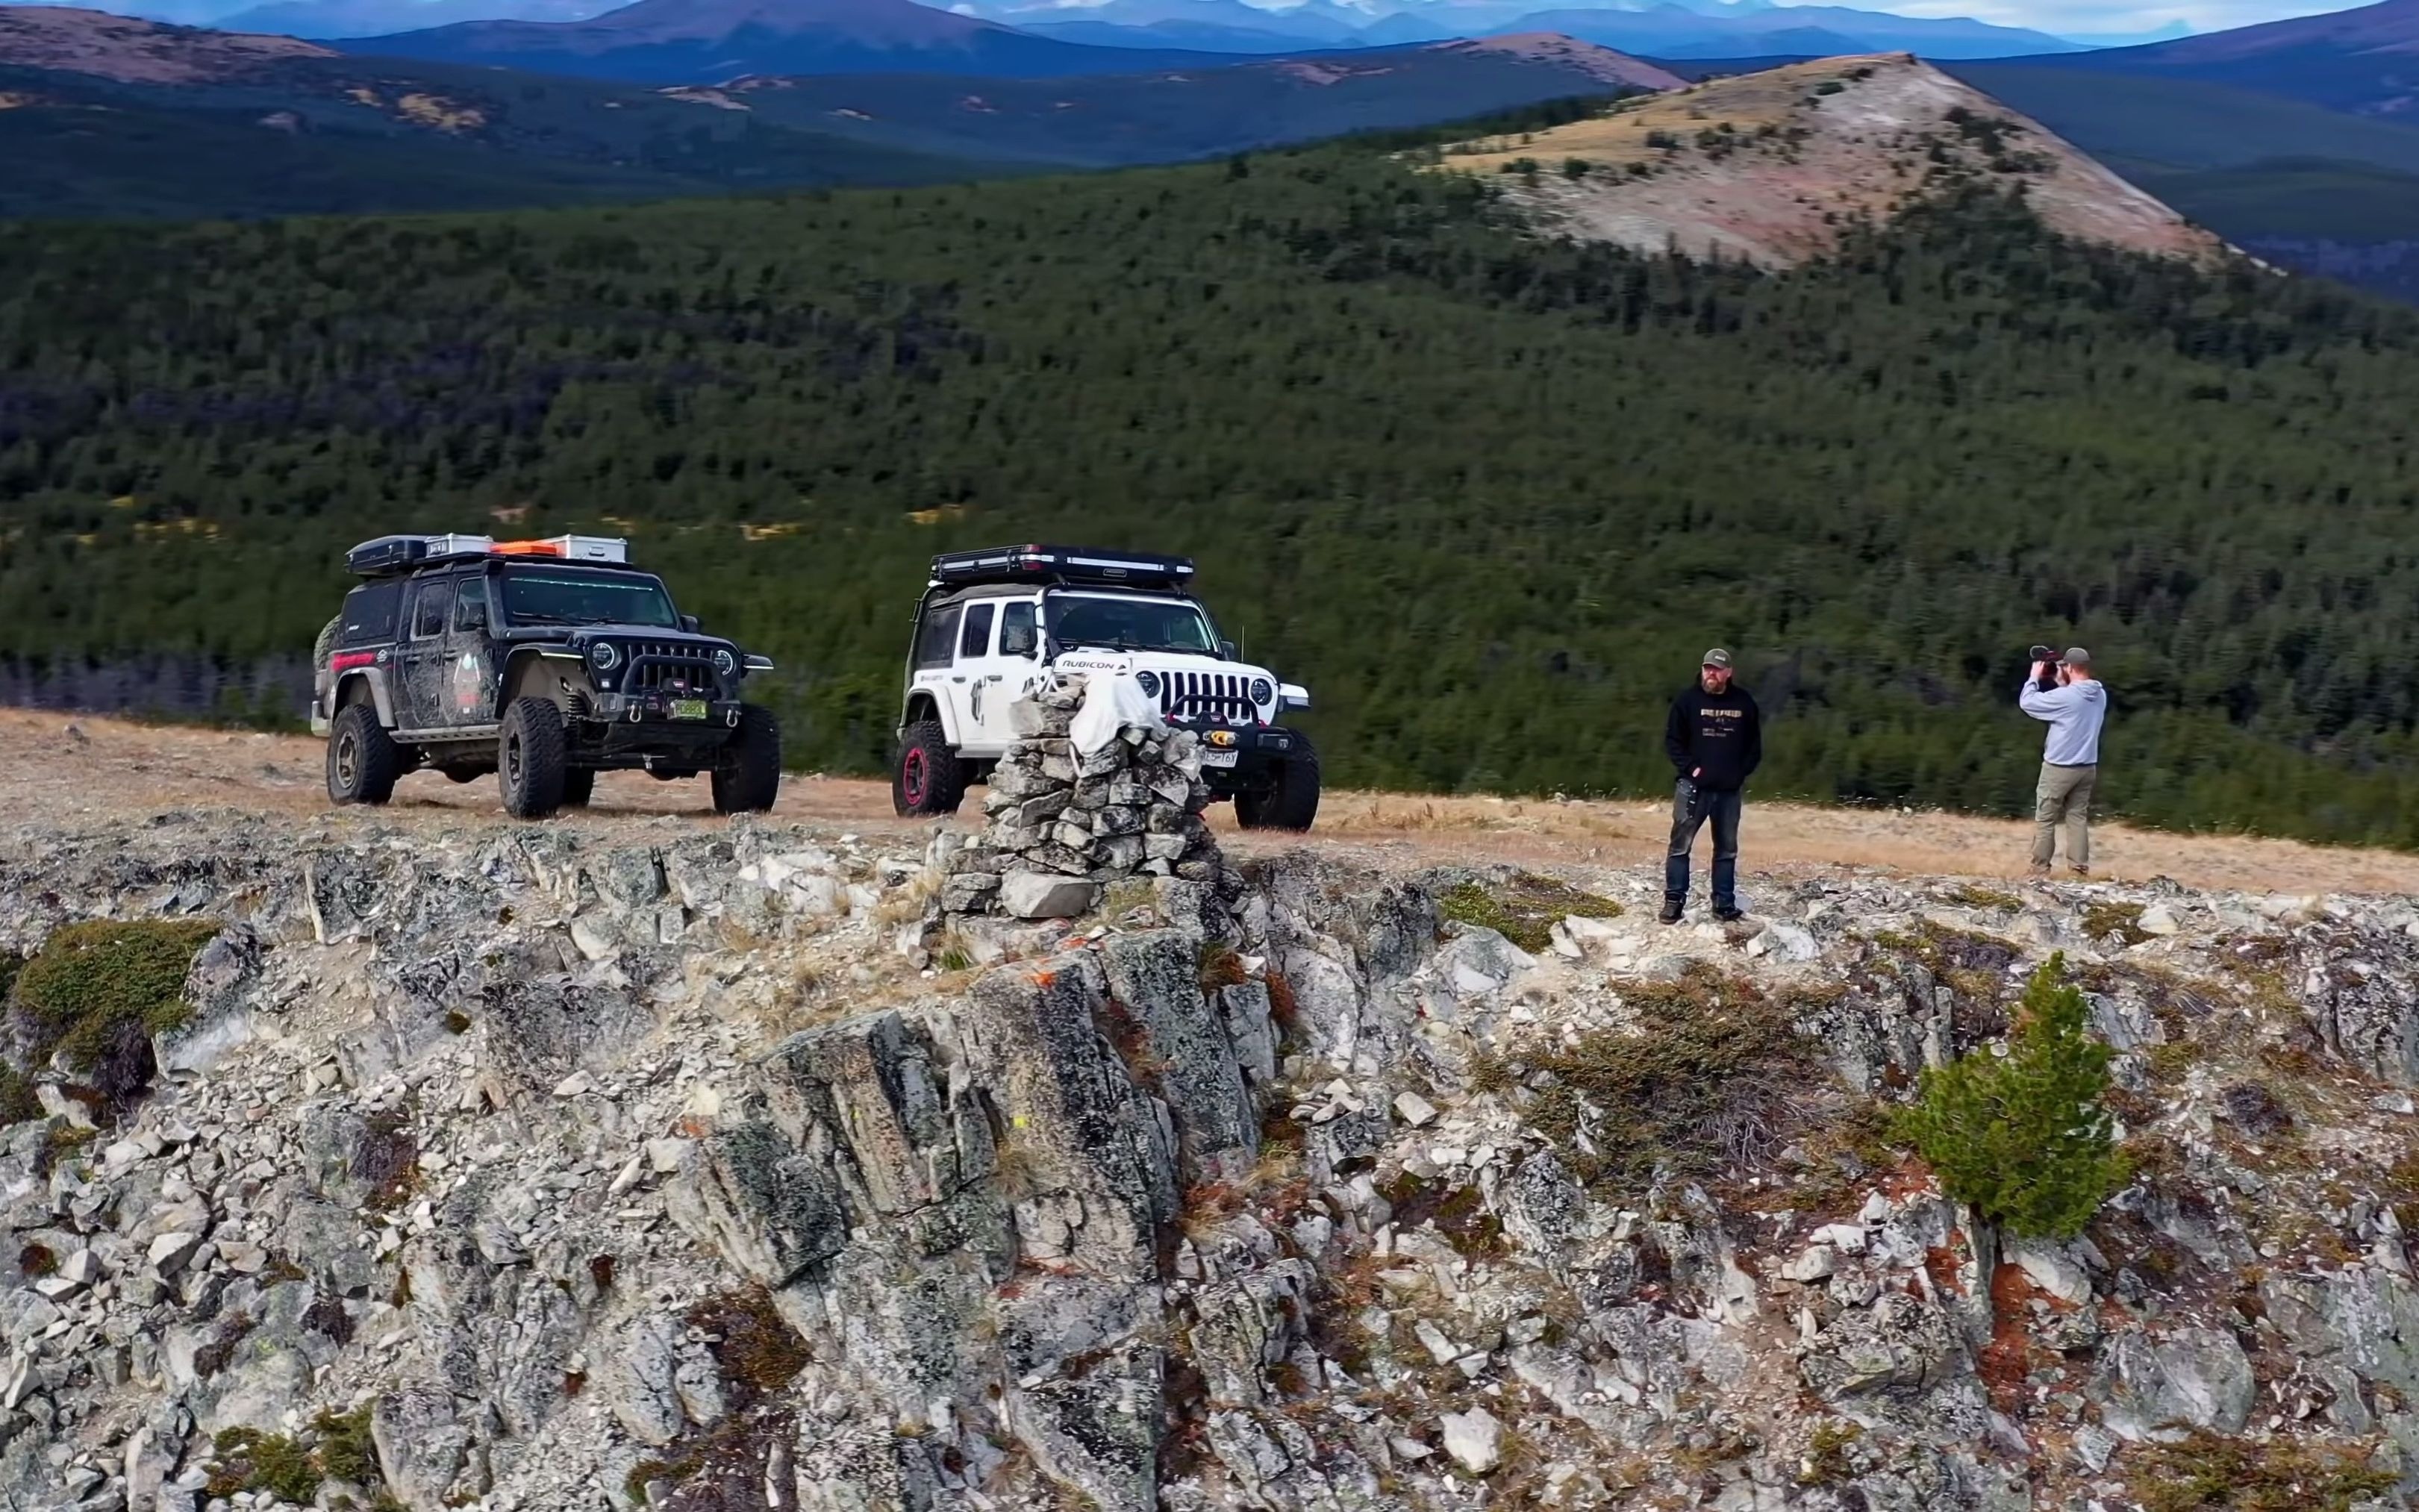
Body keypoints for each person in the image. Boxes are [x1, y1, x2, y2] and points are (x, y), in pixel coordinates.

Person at [1661, 649, 1762, 924]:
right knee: (1681, 846)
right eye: (1708, 669)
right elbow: (1673, 742)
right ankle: (1674, 902)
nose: (1711, 674)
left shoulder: (1744, 703)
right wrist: (1693, 769)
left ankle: (1723, 903)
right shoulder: (1687, 701)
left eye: (1717, 670)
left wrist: (1740, 773)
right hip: (1693, 788)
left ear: (1728, 672)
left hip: (1729, 791)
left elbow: (1754, 746)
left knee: (1727, 849)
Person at [2020, 646, 2108, 878]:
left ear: (2068, 667)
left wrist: (2034, 677)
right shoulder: (2099, 693)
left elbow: (2028, 703)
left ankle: (2039, 869)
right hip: (2087, 766)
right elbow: (2075, 703)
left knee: (2046, 818)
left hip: (2059, 767)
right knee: (2077, 817)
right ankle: (2079, 870)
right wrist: (2062, 683)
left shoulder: (2066, 697)